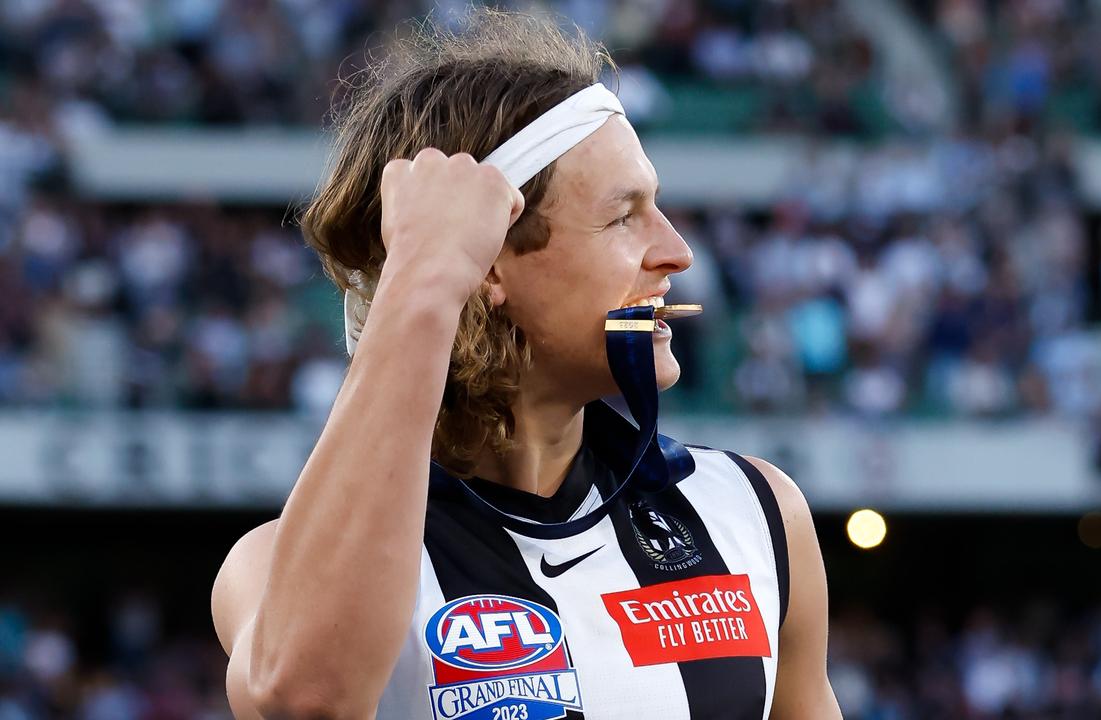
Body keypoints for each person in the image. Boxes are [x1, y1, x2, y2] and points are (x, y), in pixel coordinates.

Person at [211, 10, 838, 719]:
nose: (675, 252)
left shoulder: (753, 510)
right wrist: (424, 279)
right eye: (622, 216)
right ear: (487, 265)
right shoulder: (272, 567)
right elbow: (304, 699)